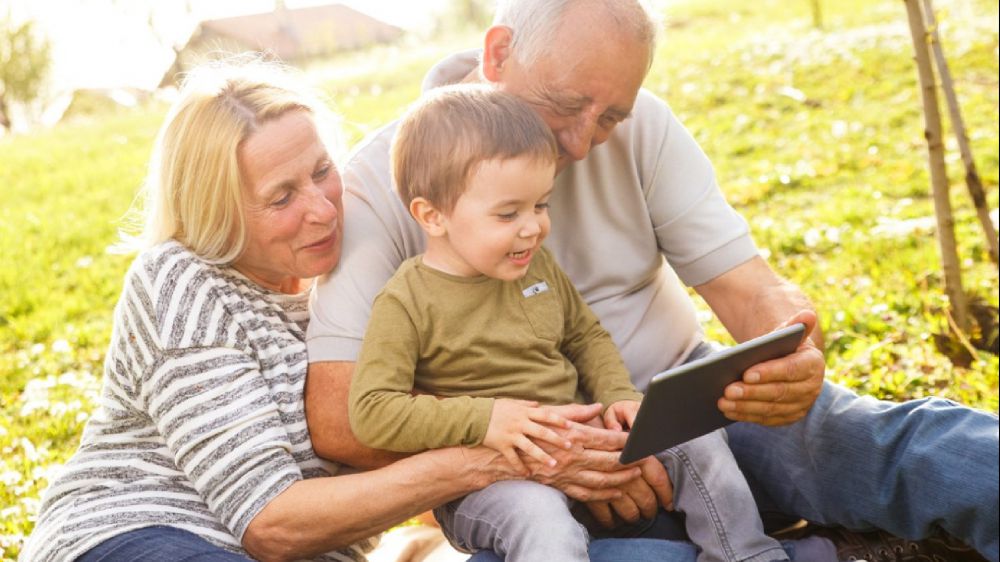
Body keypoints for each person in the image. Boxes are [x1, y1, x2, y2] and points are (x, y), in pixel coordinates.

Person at [304, 0, 1000, 560]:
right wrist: (558, 454)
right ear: (496, 53)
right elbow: (340, 417)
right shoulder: (384, 186)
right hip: (519, 469)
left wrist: (790, 344)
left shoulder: (646, 128)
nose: (580, 143)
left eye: (609, 117)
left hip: (683, 403)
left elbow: (751, 290)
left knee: (890, 446)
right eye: (566, 104)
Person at [18, 57, 530, 562]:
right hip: (137, 533)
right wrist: (475, 463)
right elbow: (270, 522)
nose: (324, 209)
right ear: (214, 208)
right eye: (282, 197)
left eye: (322, 171)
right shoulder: (181, 280)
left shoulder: (370, 286)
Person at [347, 84, 803, 562]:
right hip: (496, 484)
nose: (533, 227)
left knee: (698, 441)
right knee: (540, 520)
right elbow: (373, 410)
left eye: (540, 205)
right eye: (508, 213)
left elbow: (584, 335)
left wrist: (619, 395)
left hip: (585, 439)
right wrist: (486, 419)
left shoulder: (533, 264)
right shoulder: (405, 302)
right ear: (431, 215)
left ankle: (749, 555)